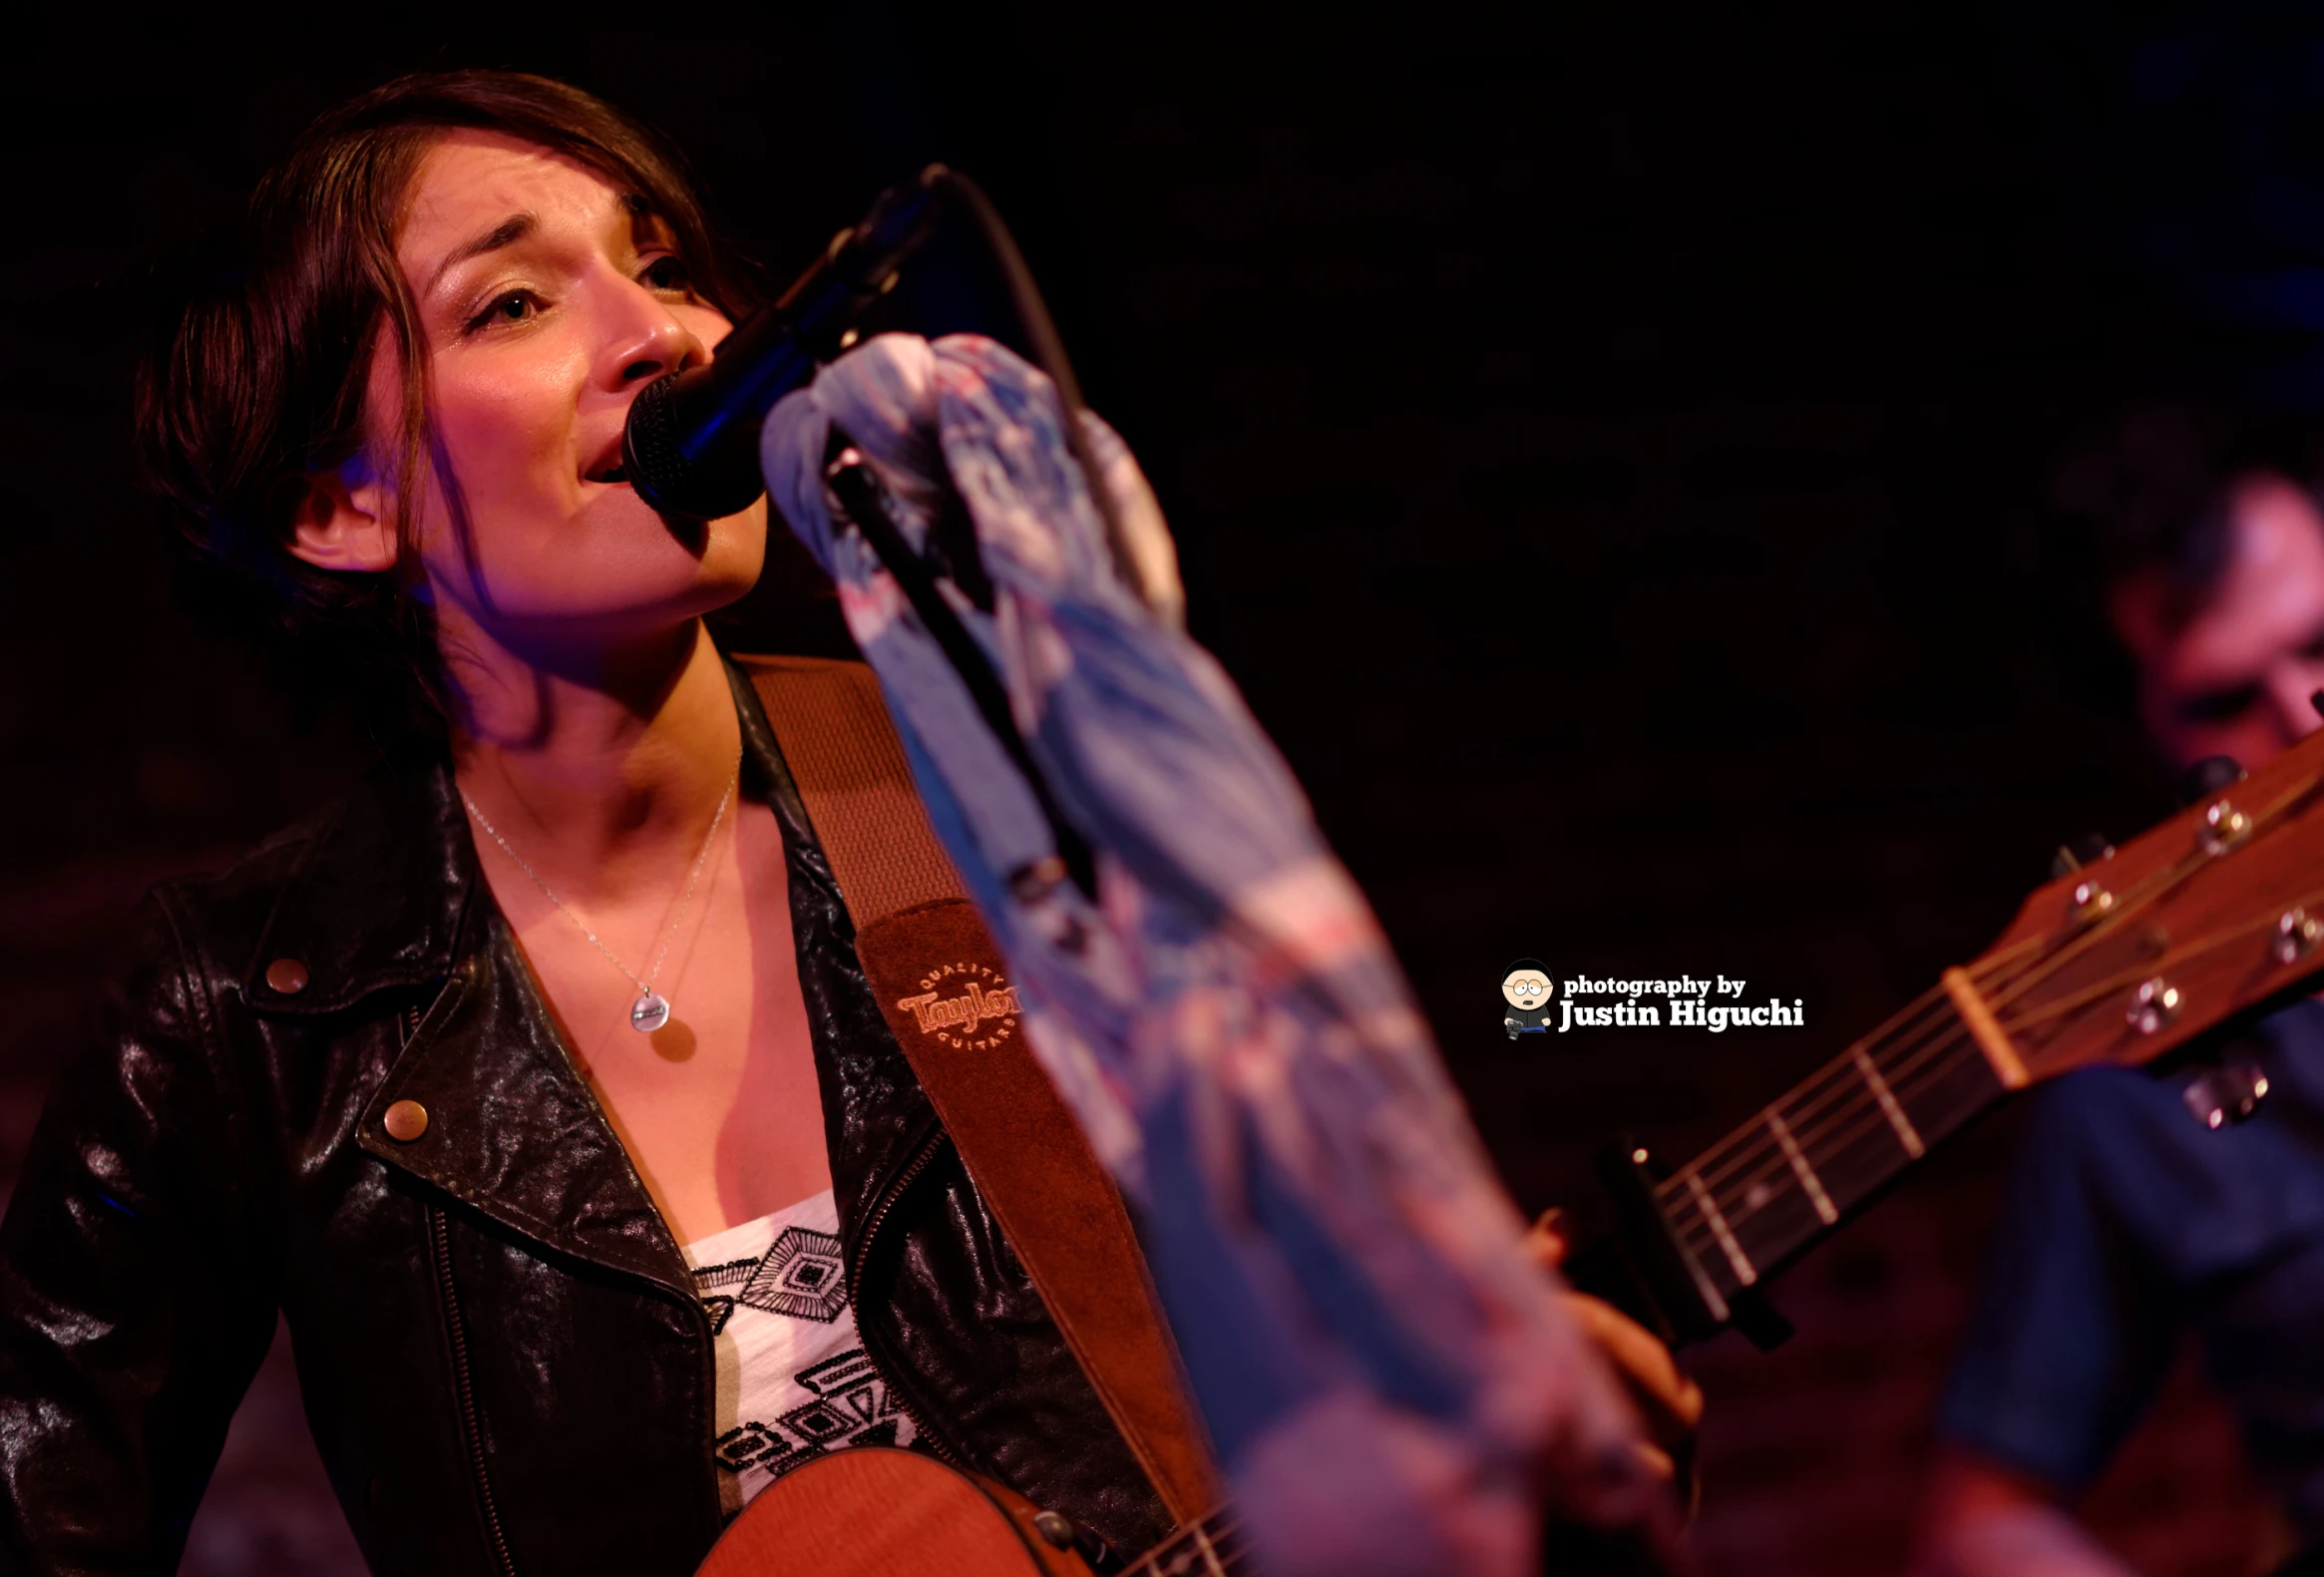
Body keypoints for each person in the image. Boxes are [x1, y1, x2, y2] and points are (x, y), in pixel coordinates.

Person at [0, 71, 1696, 1574]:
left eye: (661, 263)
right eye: (515, 301)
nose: (668, 333)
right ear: (338, 504)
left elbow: (1308, 1316)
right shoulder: (247, 1011)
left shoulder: (986, 779)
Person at [1913, 407, 2324, 1576]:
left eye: (2323, 642)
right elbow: (1976, 1531)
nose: (2300, 720)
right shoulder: (2126, 1086)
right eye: (2219, 701)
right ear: (2145, 739)